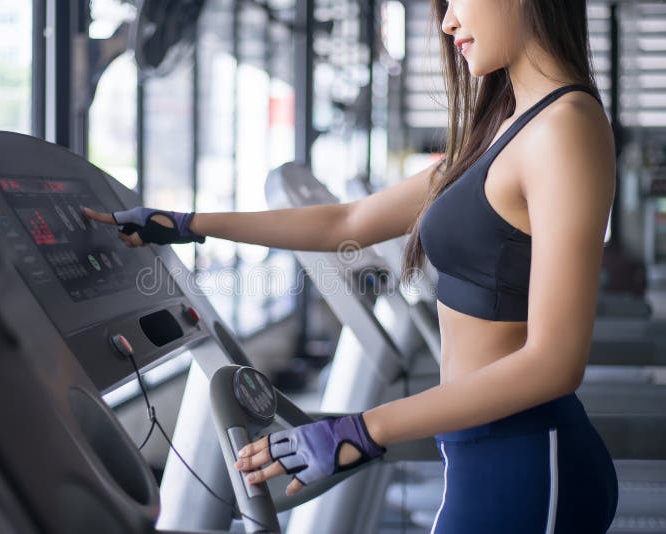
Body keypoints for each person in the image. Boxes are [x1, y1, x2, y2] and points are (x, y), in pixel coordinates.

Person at [84, 0, 619, 531]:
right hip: (481, 453)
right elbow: (349, 221)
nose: (448, 21)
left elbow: (554, 362)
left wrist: (365, 430)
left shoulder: (564, 127)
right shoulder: (508, 126)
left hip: (528, 463)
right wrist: (185, 223)